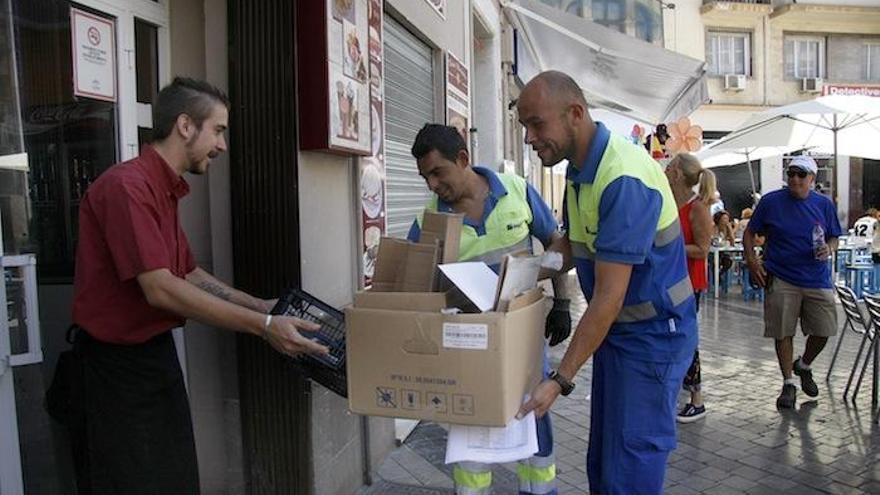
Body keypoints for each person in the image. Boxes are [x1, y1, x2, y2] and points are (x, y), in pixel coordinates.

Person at [68, 77, 327, 494]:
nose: (222, 145)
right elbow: (161, 288)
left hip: (152, 357)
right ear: (185, 125)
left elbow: (186, 273)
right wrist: (261, 328)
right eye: (219, 130)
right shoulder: (128, 187)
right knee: (134, 483)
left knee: (175, 477)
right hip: (115, 368)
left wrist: (261, 305)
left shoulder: (163, 187)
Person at [515, 71, 697, 494]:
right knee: (605, 462)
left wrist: (559, 379)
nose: (528, 138)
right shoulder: (581, 172)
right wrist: (518, 275)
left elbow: (608, 299)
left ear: (575, 113)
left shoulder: (622, 178)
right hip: (622, 336)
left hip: (654, 337)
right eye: (524, 126)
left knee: (630, 464)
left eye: (536, 124)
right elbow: (572, 247)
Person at [407, 124, 567, 495]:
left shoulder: (516, 191)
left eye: (436, 172)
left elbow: (555, 244)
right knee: (471, 438)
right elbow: (419, 290)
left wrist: (561, 302)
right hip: (469, 346)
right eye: (424, 177)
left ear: (463, 159)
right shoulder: (428, 222)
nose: (431, 185)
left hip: (524, 341)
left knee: (534, 425)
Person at [744, 155, 842, 409]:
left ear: (812, 178)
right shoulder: (771, 202)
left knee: (824, 329)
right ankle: (788, 383)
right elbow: (749, 232)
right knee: (782, 331)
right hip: (781, 275)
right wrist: (752, 261)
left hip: (816, 276)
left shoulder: (823, 204)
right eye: (791, 174)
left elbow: (834, 237)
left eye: (801, 175)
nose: (795, 180)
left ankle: (804, 365)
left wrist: (829, 249)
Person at [665, 153, 714, 423]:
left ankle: (697, 397)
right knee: (673, 335)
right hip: (672, 280)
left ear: (679, 175)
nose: (665, 170)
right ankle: (680, 389)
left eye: (670, 167)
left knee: (686, 336)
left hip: (690, 283)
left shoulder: (697, 208)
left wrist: (670, 249)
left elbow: (702, 249)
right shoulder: (671, 203)